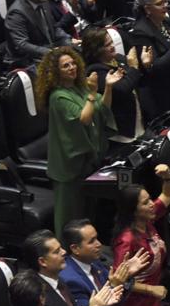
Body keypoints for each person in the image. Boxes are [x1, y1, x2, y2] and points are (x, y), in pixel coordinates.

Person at [38, 46, 115, 236]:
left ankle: (85, 254)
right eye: (65, 66)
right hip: (69, 166)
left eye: (73, 63)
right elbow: (85, 118)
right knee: (69, 217)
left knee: (88, 213)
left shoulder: (79, 87)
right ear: (56, 72)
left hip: (87, 162)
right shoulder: (58, 96)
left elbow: (101, 107)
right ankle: (66, 257)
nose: (72, 67)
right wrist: (91, 94)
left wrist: (109, 87)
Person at [109, 166, 170, 306]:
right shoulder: (126, 240)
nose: (152, 204)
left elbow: (167, 196)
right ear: (134, 210)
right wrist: (150, 290)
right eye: (146, 202)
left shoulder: (148, 221)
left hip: (151, 302)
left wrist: (168, 177)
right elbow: (117, 280)